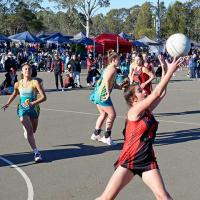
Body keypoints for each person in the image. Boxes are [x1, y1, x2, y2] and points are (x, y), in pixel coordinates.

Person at [95, 55, 184, 200]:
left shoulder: (146, 110)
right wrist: (168, 73)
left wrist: (166, 70)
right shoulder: (133, 112)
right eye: (140, 90)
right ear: (133, 99)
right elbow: (155, 93)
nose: (143, 90)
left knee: (163, 196)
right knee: (106, 198)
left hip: (147, 159)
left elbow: (161, 93)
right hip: (129, 159)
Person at [1, 63, 47, 163]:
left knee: (33, 131)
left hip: (34, 108)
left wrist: (33, 103)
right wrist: (8, 103)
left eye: (29, 69)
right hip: (22, 108)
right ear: (22, 71)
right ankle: (36, 153)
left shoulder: (35, 82)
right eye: (25, 69)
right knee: (29, 129)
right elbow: (14, 93)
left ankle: (26, 129)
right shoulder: (18, 84)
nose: (27, 71)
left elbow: (44, 97)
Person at [89, 51, 128, 146]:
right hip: (102, 95)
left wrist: (119, 87)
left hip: (98, 93)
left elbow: (110, 82)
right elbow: (106, 81)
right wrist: (107, 93)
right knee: (112, 114)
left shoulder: (110, 68)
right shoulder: (112, 69)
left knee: (103, 114)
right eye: (118, 59)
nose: (120, 61)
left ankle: (95, 134)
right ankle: (107, 137)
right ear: (113, 60)